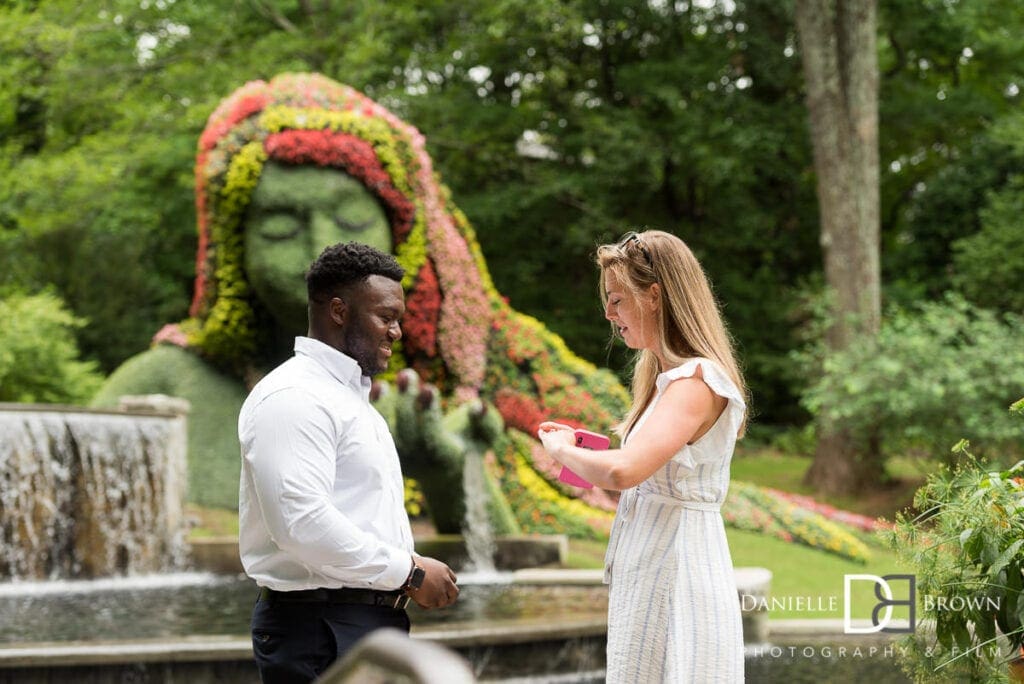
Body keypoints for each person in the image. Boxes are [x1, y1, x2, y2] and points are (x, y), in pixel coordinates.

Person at [238, 241, 459, 683]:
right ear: (338, 311)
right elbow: (301, 522)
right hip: (320, 630)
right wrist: (410, 571)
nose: (397, 331)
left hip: (351, 622)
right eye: (386, 317)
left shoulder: (347, 397)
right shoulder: (295, 396)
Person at [537, 230, 749, 683]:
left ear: (654, 296)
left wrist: (560, 451)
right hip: (654, 566)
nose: (609, 314)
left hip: (678, 570)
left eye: (617, 300)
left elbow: (624, 470)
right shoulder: (667, 380)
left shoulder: (696, 381)